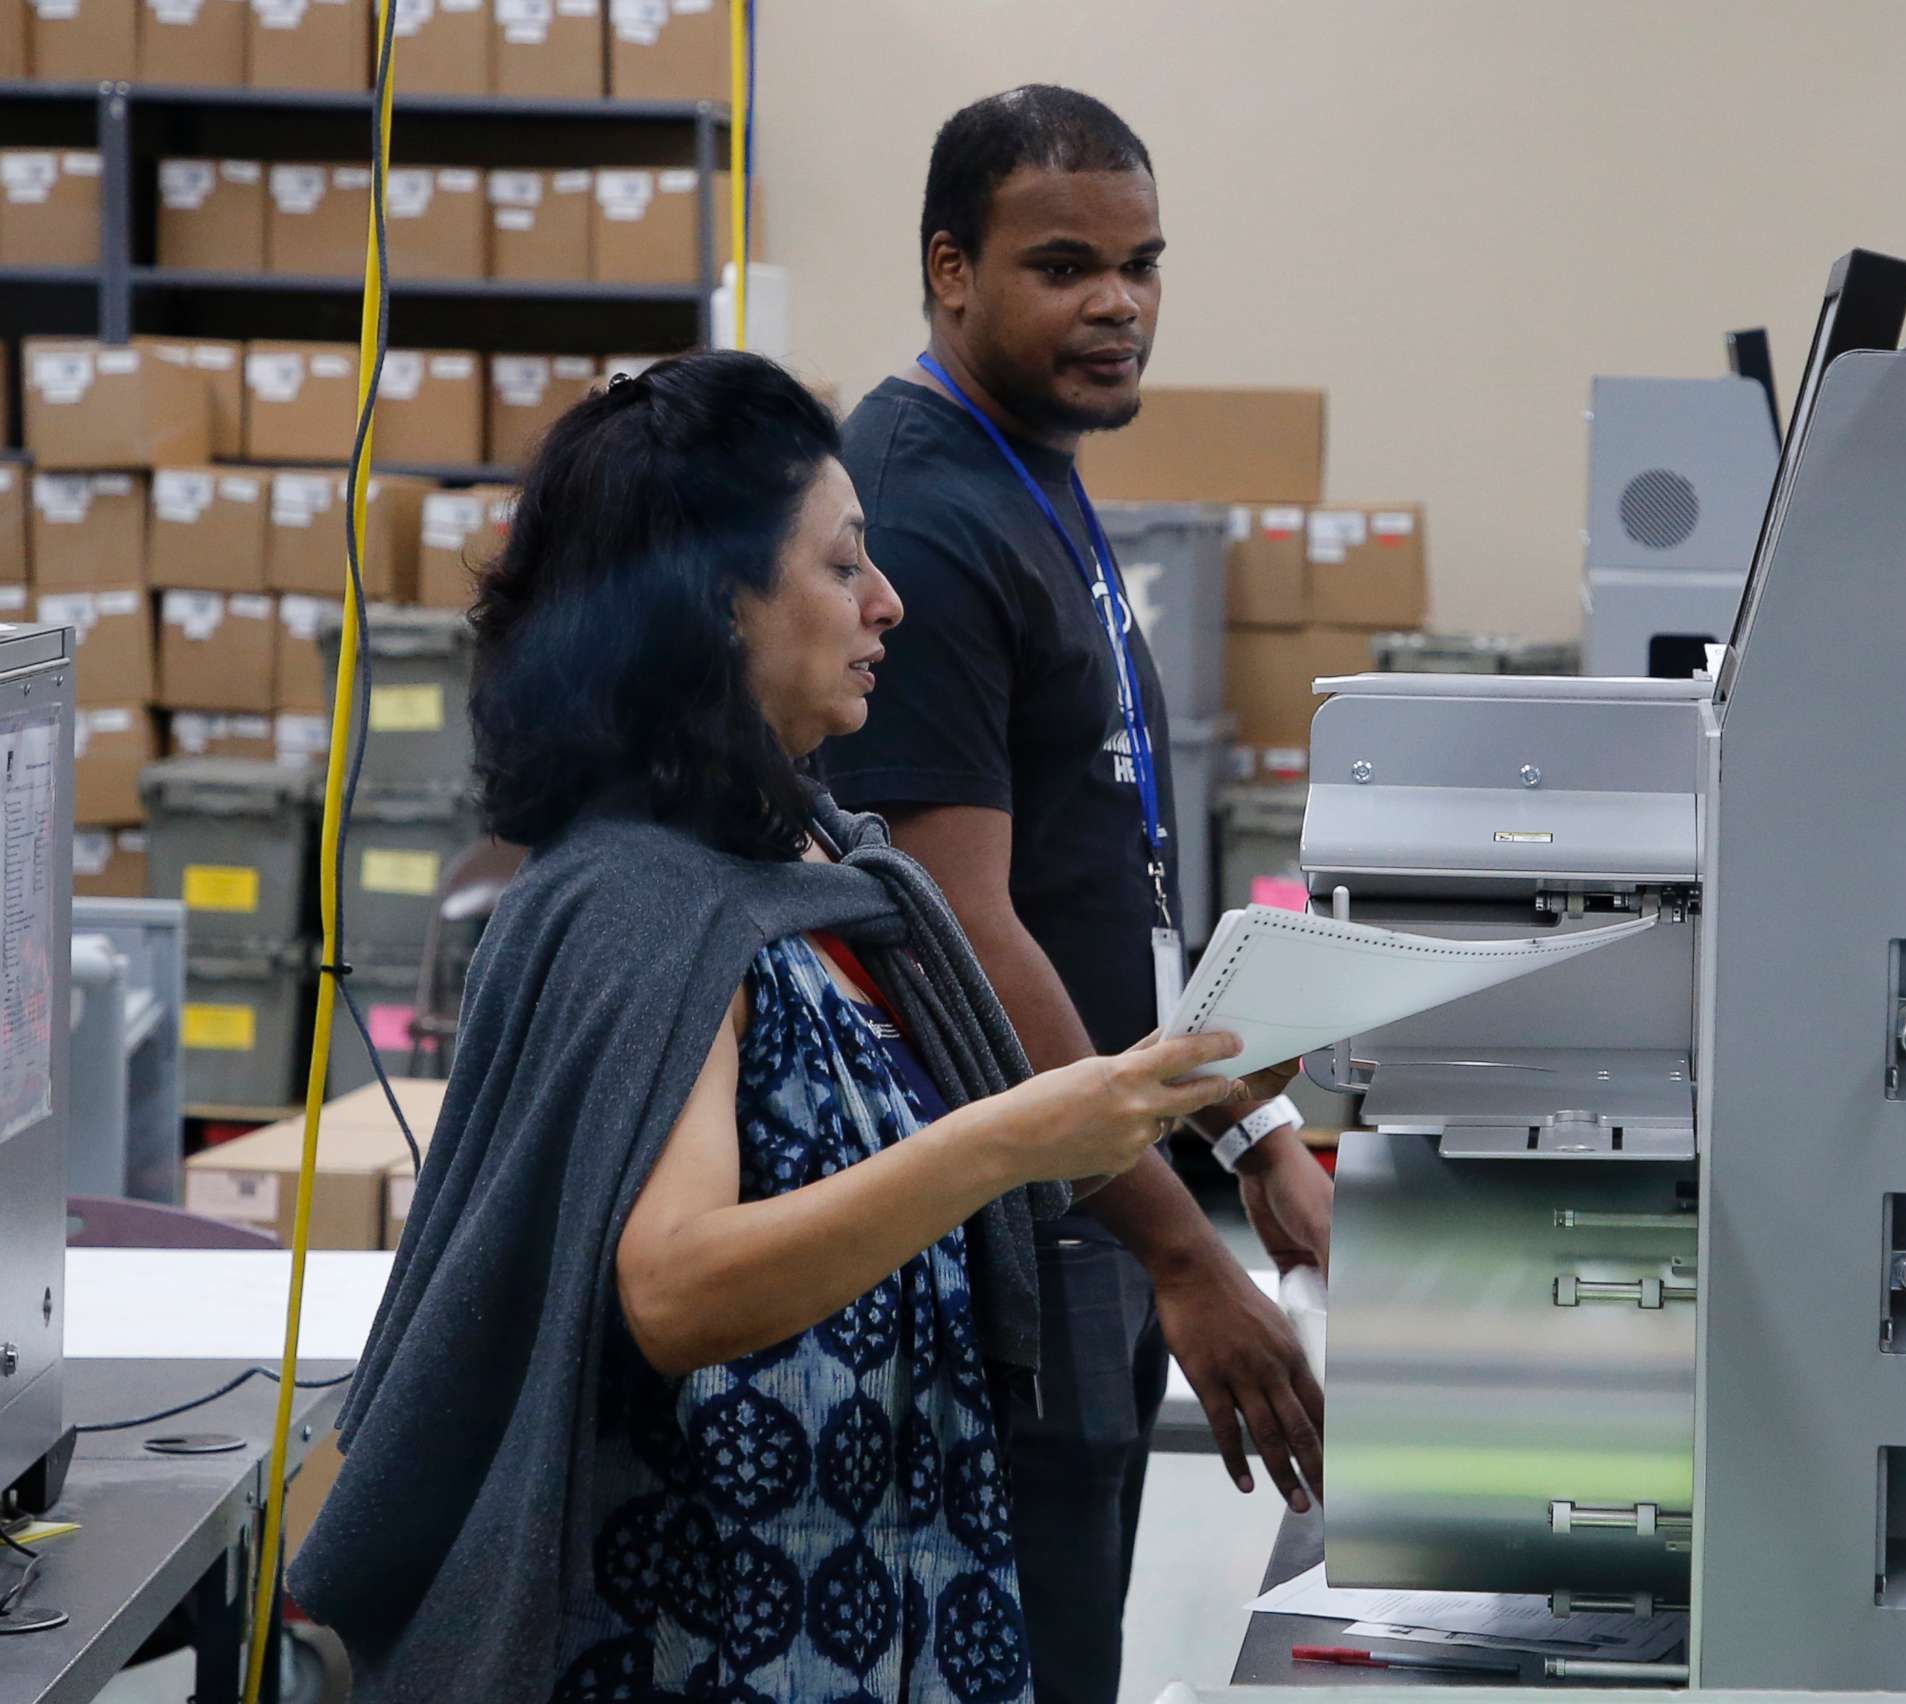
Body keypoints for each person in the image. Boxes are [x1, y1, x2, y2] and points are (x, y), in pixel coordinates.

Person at [287, 351, 1269, 1704]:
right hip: (723, 1648)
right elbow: (677, 1287)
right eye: (840, 566)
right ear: (713, 611)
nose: (888, 602)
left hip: (879, 1614)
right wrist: (1007, 1143)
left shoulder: (812, 865)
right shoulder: (643, 908)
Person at [815, 86, 1335, 1704]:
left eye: (1141, 264)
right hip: (1019, 1210)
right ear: (949, 267)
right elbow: (964, 926)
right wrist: (1183, 1255)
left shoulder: (1029, 463)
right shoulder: (920, 498)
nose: (1117, 303)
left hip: (1107, 1166)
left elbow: (1104, 884)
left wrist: (1245, 1131)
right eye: (1064, 265)